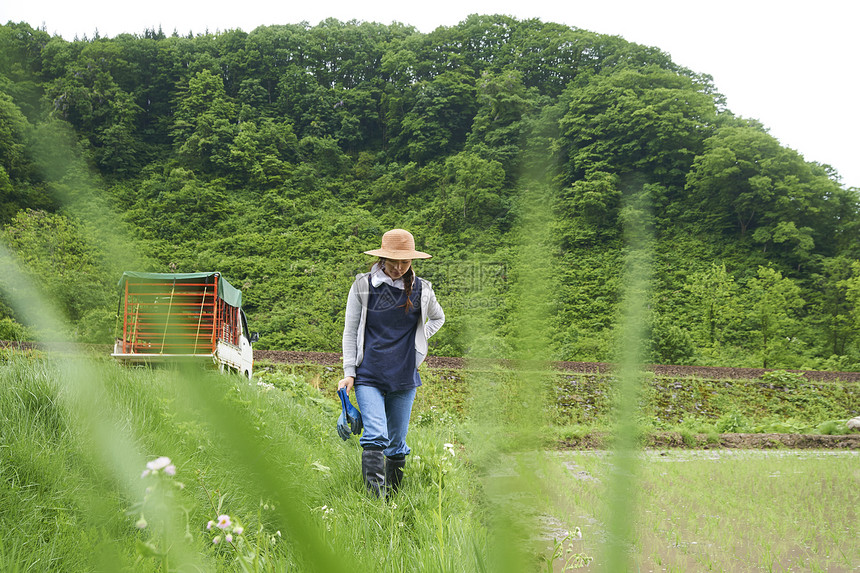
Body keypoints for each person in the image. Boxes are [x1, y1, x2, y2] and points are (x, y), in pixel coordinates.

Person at [337, 229, 445, 497]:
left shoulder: (423, 289)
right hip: (369, 374)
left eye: (404, 262)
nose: (398, 267)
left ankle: (393, 502)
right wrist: (349, 372)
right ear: (382, 256)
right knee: (375, 435)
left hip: (404, 375)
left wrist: (419, 339)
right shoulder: (363, 285)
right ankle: (376, 503)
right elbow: (350, 331)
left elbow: (438, 318)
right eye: (392, 261)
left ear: (412, 260)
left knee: (396, 443)